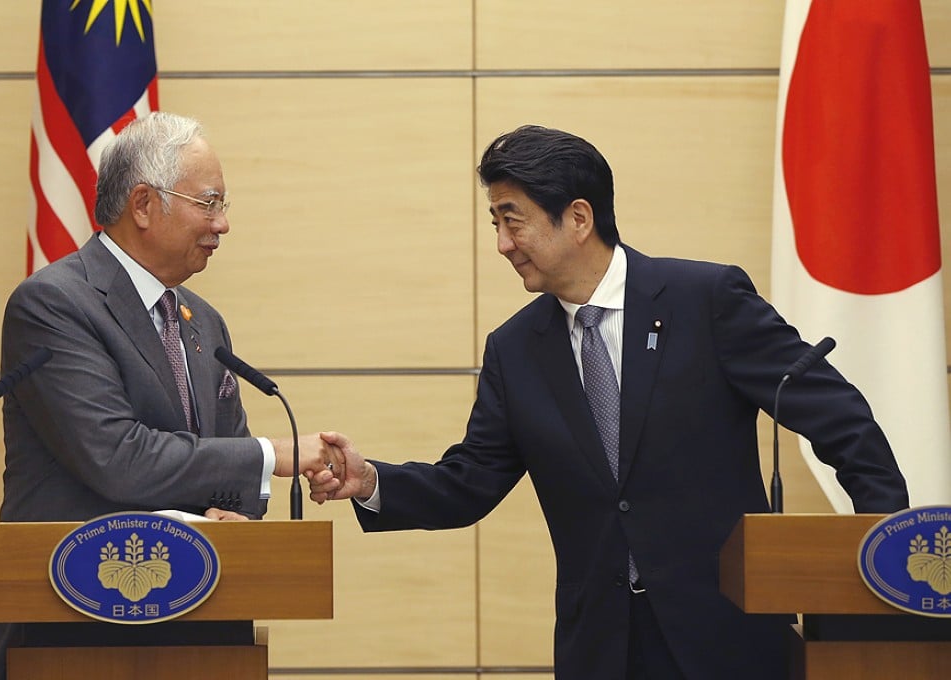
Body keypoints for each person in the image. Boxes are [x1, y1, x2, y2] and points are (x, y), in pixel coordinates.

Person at [309, 125, 909, 679]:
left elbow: (839, 417)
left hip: (725, 636)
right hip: (601, 647)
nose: (501, 244)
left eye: (512, 221)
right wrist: (369, 482)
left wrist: (884, 555)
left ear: (577, 217)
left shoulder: (704, 300)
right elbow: (469, 481)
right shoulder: (515, 350)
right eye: (494, 222)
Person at [0, 111, 341, 680]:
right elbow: (117, 457)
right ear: (143, 204)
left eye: (223, 206)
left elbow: (226, 457)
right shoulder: (53, 304)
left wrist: (237, 516)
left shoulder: (203, 322)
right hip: (71, 632)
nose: (222, 225)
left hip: (202, 627)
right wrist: (277, 455)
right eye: (209, 202)